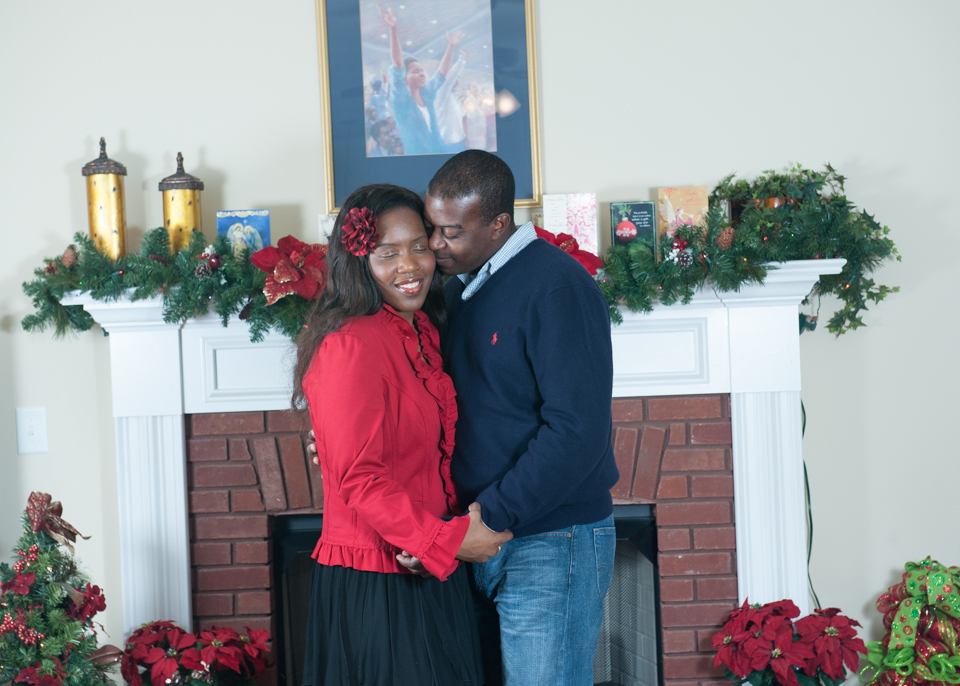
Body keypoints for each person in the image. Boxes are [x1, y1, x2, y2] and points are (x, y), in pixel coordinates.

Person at [295, 183, 512, 686]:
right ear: (358, 261)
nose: (409, 265)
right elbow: (359, 477)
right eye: (386, 253)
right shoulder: (349, 344)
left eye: (419, 246)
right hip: (378, 580)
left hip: (429, 565)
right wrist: (449, 541)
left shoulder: (424, 331)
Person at [423, 150, 620, 686]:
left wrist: (489, 517)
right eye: (432, 229)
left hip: (552, 541)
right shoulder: (458, 288)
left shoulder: (557, 287)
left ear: (498, 223)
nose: (435, 245)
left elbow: (577, 432)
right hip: (477, 537)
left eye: (451, 231)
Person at [378, 5, 464, 155]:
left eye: (422, 71)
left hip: (440, 150)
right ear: (405, 78)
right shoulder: (400, 101)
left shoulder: (426, 93)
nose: (421, 74)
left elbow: (441, 74)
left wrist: (451, 46)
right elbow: (398, 65)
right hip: (418, 156)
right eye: (415, 72)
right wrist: (393, 29)